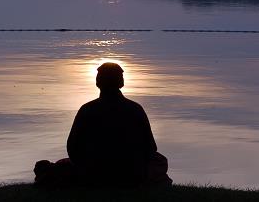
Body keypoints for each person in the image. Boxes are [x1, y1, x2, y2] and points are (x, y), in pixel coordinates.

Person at [34, 62, 172, 187]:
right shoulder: (135, 109)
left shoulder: (87, 109)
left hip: (93, 172)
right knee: (159, 160)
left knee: (58, 166)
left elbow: (73, 148)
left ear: (98, 82)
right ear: (121, 82)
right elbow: (150, 147)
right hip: (131, 173)